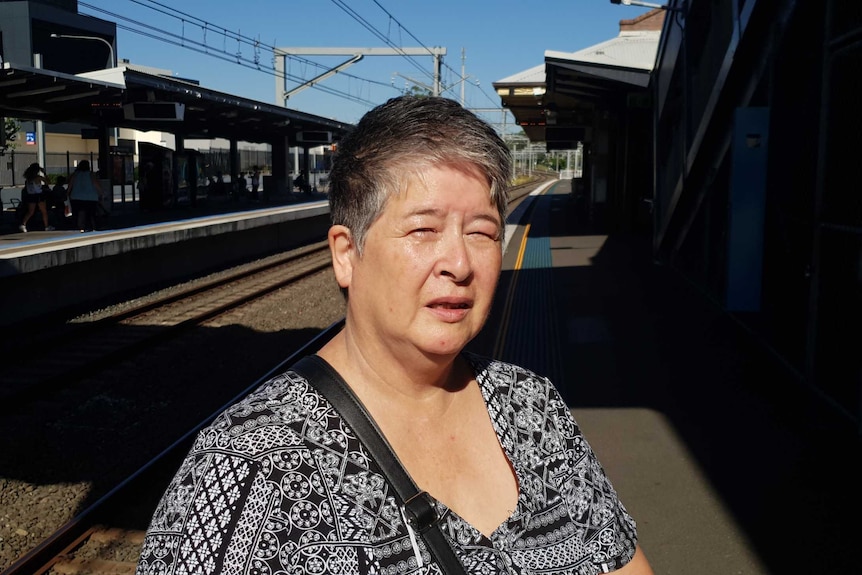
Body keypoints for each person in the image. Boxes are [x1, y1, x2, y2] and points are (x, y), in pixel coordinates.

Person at [136, 96, 654, 575]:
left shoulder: (532, 406)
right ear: (346, 253)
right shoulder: (246, 466)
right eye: (423, 229)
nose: (458, 263)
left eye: (482, 232)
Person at [66, 160, 104, 232]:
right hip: (91, 197)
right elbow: (96, 184)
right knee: (91, 214)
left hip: (76, 197)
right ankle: (91, 227)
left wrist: (67, 193)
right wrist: (101, 193)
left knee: (78, 213)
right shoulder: (91, 174)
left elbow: (70, 185)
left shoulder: (75, 174)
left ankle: (80, 227)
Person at [18, 163, 54, 232]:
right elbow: (48, 182)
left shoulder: (28, 178)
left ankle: (23, 224)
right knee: (44, 211)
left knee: (30, 212)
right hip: (39, 195)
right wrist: (44, 173)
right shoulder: (38, 177)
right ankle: (46, 226)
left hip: (31, 195)